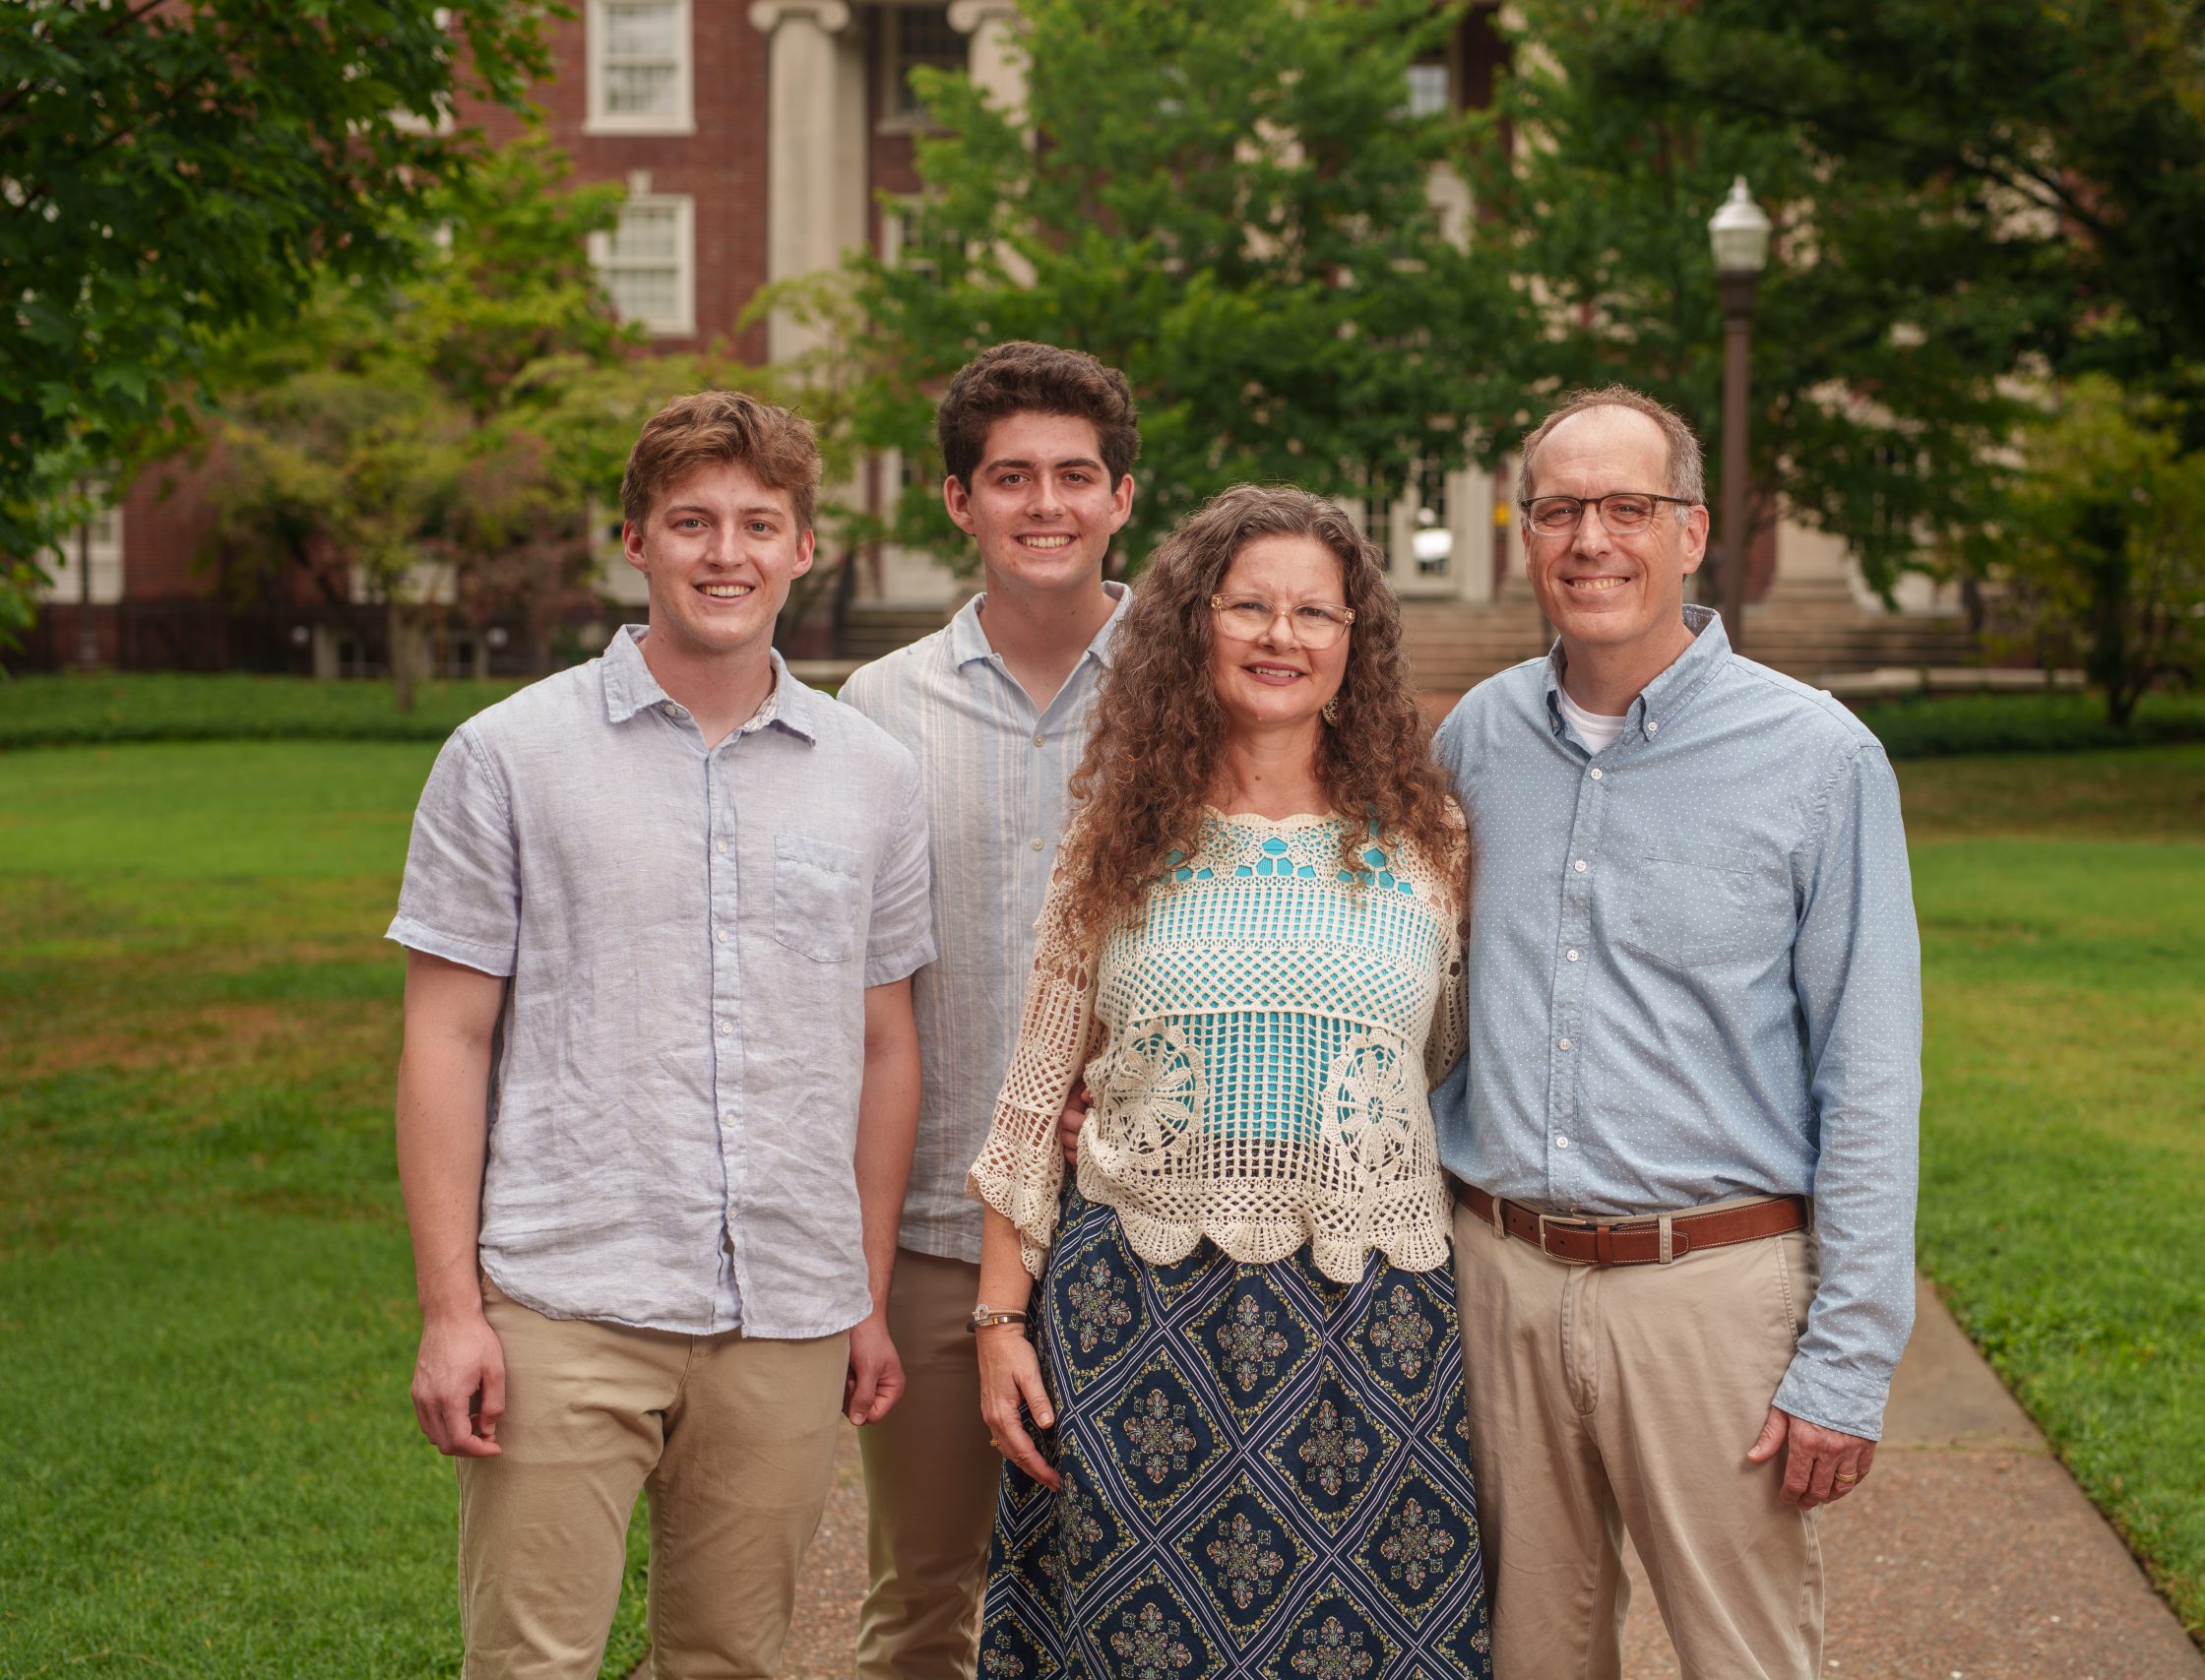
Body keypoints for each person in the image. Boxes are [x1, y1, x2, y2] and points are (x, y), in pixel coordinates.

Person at [388, 390, 933, 1680]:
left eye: (760, 521)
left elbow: (884, 1048)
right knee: (529, 1661)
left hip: (788, 1313)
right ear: (634, 539)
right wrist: (452, 1310)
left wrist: (859, 1294)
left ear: (807, 547)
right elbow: (444, 1039)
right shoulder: (506, 755)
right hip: (568, 1298)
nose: (725, 551)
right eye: (692, 520)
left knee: (734, 1659)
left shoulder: (871, 774)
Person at [1432, 386, 1922, 1680]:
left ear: (1692, 532)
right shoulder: (1474, 739)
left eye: (1626, 508)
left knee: (1743, 1660)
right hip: (1502, 1280)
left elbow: (1870, 1078)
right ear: (1524, 533)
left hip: (1715, 1294)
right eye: (1558, 509)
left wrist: (1848, 1360)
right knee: (1529, 1656)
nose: (1590, 537)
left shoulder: (1821, 760)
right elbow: (1405, 991)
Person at [968, 485, 1493, 1679]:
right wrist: (1001, 1321)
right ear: (1190, 627)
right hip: (1137, 1317)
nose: (1281, 636)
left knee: (1360, 1644)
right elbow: (1031, 1090)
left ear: (1355, 640)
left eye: (1316, 611)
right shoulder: (1116, 834)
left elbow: (1447, 1070)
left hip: (1370, 1319)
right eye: (1248, 605)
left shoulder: (1430, 844)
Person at [837, 342, 1139, 1680]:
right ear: (956, 500)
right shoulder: (874, 710)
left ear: (1122, 497)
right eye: (1010, 476)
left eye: (1076, 475)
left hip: (1147, 1233)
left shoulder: (1189, 688)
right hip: (937, 1234)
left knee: (1143, 1586)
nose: (1045, 504)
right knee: (920, 1602)